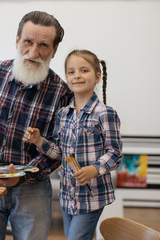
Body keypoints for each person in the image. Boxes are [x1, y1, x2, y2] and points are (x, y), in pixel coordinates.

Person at [0, 11, 73, 240]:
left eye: (43, 45)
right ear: (17, 40)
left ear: (54, 50)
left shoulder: (62, 93)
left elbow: (59, 150)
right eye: (28, 42)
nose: (33, 52)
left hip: (33, 187)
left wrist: (21, 176)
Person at [23, 49, 123, 240]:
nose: (77, 75)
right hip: (67, 195)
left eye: (84, 70)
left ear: (97, 77)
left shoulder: (105, 113)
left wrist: (94, 169)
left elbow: (115, 153)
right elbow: (60, 153)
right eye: (71, 72)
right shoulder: (63, 114)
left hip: (91, 197)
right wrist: (39, 141)